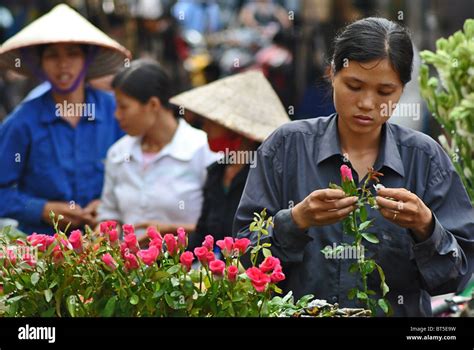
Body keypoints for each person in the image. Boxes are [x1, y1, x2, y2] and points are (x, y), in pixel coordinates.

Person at [233, 17, 474, 316]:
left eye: (385, 92)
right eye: (354, 85)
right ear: (332, 73)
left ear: (401, 91)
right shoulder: (286, 147)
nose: (367, 103)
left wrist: (426, 227)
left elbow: (460, 274)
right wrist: (295, 221)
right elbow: (245, 256)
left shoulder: (425, 158)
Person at [0, 4, 130, 235]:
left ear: (87, 59)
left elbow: (138, 173)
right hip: (42, 251)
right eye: (52, 55)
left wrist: (108, 206)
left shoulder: (115, 111)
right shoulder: (22, 122)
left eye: (72, 53)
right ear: (39, 63)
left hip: (108, 246)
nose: (63, 64)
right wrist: (42, 209)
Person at [169, 70, 290, 253]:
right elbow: (203, 234)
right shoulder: (216, 172)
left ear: (236, 130)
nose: (205, 127)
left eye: (213, 122)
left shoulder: (265, 175)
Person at [97, 59, 218, 240]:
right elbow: (109, 214)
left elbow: (220, 227)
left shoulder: (204, 151)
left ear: (153, 105)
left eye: (123, 107)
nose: (117, 115)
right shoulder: (119, 153)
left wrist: (171, 231)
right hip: (129, 267)